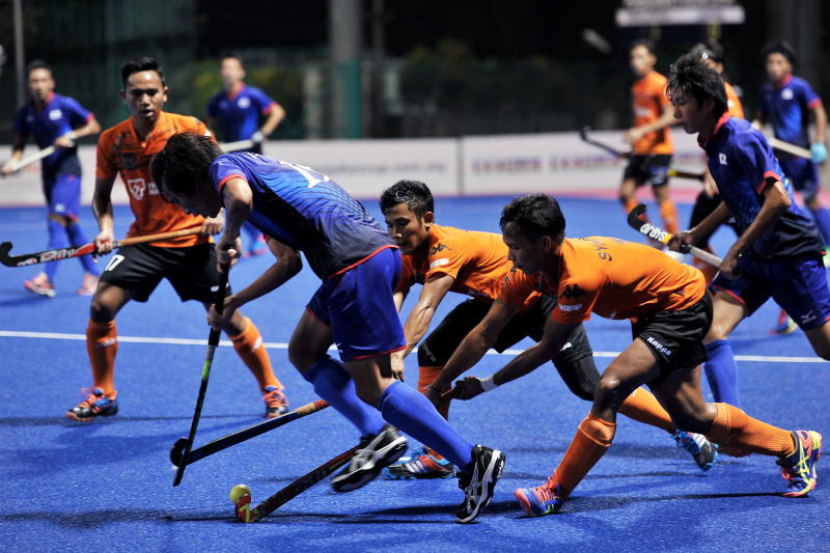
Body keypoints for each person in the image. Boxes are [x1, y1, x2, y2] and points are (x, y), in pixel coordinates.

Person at [151, 133, 505, 524]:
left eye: (177, 199)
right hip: (363, 258)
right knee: (303, 352)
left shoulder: (225, 168)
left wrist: (229, 237)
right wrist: (234, 302)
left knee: (376, 387)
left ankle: (471, 460)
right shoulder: (260, 179)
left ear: (193, 180)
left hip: (354, 262)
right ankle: (376, 432)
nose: (185, 210)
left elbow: (238, 199)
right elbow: (288, 263)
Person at [450, 193, 821, 517]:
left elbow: (547, 347)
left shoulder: (579, 278)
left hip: (682, 305)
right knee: (691, 416)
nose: (509, 255)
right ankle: (794, 445)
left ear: (545, 243)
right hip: (652, 310)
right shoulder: (530, 270)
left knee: (610, 387)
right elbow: (485, 331)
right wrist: (441, 385)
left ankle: (554, 492)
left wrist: (485, 385)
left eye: (515, 247)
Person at [379, 180, 717, 479]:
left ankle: (683, 429)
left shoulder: (447, 247)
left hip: (543, 297)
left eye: (402, 224)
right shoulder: (406, 252)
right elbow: (397, 296)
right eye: (389, 224)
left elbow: (427, 305)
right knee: (433, 352)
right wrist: (396, 353)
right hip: (499, 300)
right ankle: (438, 453)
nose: (395, 233)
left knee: (589, 385)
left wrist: (398, 354)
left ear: (426, 219)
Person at [65, 57, 288, 423]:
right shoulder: (112, 140)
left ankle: (272, 387)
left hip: (193, 242)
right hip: (143, 243)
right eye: (136, 93)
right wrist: (105, 229)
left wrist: (216, 216)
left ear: (164, 93)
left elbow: (224, 177)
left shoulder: (190, 128)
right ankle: (104, 393)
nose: (145, 99)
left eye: (152, 91)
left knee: (228, 317)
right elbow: (101, 198)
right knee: (101, 306)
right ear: (124, 96)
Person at [666, 54, 830, 419]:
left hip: (791, 252)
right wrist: (696, 232)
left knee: (825, 348)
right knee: (709, 330)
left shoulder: (740, 137)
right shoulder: (711, 142)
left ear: (708, 103)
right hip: (757, 255)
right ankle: (733, 428)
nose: (676, 113)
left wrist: (734, 250)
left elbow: (778, 199)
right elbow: (735, 197)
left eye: (682, 103)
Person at [1, 60, 101, 297]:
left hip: (69, 171)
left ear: (52, 83)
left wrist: (71, 134)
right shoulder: (25, 113)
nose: (39, 85)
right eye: (34, 81)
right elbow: (19, 144)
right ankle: (95, 275)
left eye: (43, 80)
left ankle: (47, 279)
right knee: (71, 225)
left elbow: (94, 125)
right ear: (28, 85)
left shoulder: (65, 105)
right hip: (49, 174)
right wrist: (14, 161)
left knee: (56, 220)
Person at [753, 41, 830, 334]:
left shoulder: (799, 87)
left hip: (801, 156)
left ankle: (828, 245)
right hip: (779, 159)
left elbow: (818, 112)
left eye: (778, 62)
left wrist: (820, 141)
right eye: (769, 62)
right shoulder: (766, 91)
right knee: (783, 205)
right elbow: (760, 118)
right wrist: (754, 131)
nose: (773, 67)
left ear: (789, 65)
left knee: (812, 201)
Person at [206, 55, 286, 258]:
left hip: (252, 155)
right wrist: (213, 140)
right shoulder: (218, 100)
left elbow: (277, 112)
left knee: (257, 197)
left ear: (241, 72)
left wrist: (263, 132)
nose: (228, 72)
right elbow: (206, 124)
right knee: (235, 198)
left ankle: (269, 235)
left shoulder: (252, 94)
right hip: (230, 158)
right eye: (225, 68)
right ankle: (253, 237)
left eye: (232, 68)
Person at [685, 41, 744, 286]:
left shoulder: (725, 94)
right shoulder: (705, 97)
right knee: (694, 239)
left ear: (719, 67)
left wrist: (718, 173)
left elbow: (735, 141)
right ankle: (711, 289)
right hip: (718, 182)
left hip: (736, 185)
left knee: (759, 247)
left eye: (708, 66)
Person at [619, 39, 680, 252]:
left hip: (659, 150)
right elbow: (642, 120)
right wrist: (633, 144)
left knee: (661, 195)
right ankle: (654, 239)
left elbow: (671, 116)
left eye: (641, 56)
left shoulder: (660, 83)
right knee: (626, 192)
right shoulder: (637, 87)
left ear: (652, 59)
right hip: (641, 151)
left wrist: (642, 131)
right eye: (633, 57)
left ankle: (674, 245)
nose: (635, 61)